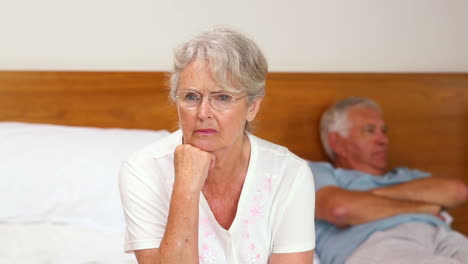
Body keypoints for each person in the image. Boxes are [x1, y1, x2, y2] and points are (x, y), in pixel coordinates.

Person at [118, 27, 316, 264]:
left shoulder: (288, 173)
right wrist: (186, 188)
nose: (203, 113)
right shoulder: (144, 170)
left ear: (252, 107)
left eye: (222, 97)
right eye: (191, 97)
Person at [309, 96, 468, 264]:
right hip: (373, 242)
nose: (384, 140)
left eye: (384, 131)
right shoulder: (320, 172)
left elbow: (457, 191)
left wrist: (366, 198)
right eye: (370, 130)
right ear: (337, 143)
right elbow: (340, 209)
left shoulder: (404, 176)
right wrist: (423, 207)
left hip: (443, 236)